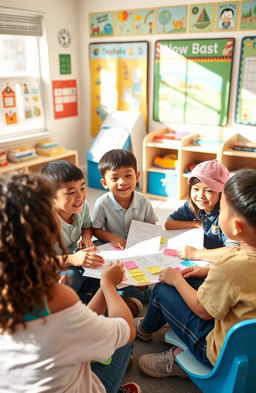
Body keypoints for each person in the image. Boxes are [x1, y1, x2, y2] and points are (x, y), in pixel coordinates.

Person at [0, 172, 142, 393]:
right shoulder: (53, 297)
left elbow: (70, 325)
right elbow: (126, 330)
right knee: (123, 341)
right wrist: (108, 286)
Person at [135, 168, 256, 378]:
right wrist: (207, 270)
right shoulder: (237, 262)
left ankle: (150, 333)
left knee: (164, 288)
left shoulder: (229, 267)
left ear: (236, 226)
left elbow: (202, 310)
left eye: (223, 209)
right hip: (249, 344)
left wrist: (176, 280)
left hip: (220, 354)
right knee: (194, 281)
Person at [92, 149, 158, 315]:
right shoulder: (102, 203)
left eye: (128, 176)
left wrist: (146, 241)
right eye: (114, 178)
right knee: (99, 256)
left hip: (138, 245)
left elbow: (151, 223)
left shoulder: (143, 201)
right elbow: (96, 229)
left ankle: (140, 292)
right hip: (113, 246)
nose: (122, 182)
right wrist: (111, 237)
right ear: (104, 183)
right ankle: (136, 294)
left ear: (137, 176)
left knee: (157, 258)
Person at [42, 160, 104, 304]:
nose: (80, 196)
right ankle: (82, 300)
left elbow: (86, 226)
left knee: (102, 258)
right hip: (54, 269)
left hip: (75, 258)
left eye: (82, 188)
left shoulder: (83, 206)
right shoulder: (43, 221)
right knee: (71, 277)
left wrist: (86, 237)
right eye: (71, 192)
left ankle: (85, 297)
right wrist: (72, 259)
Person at [165, 159, 238, 262]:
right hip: (205, 259)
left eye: (208, 191)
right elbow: (169, 224)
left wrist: (196, 253)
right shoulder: (193, 205)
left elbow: (234, 251)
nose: (200, 196)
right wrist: (196, 224)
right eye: (196, 189)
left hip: (222, 264)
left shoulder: (228, 215)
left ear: (222, 192)